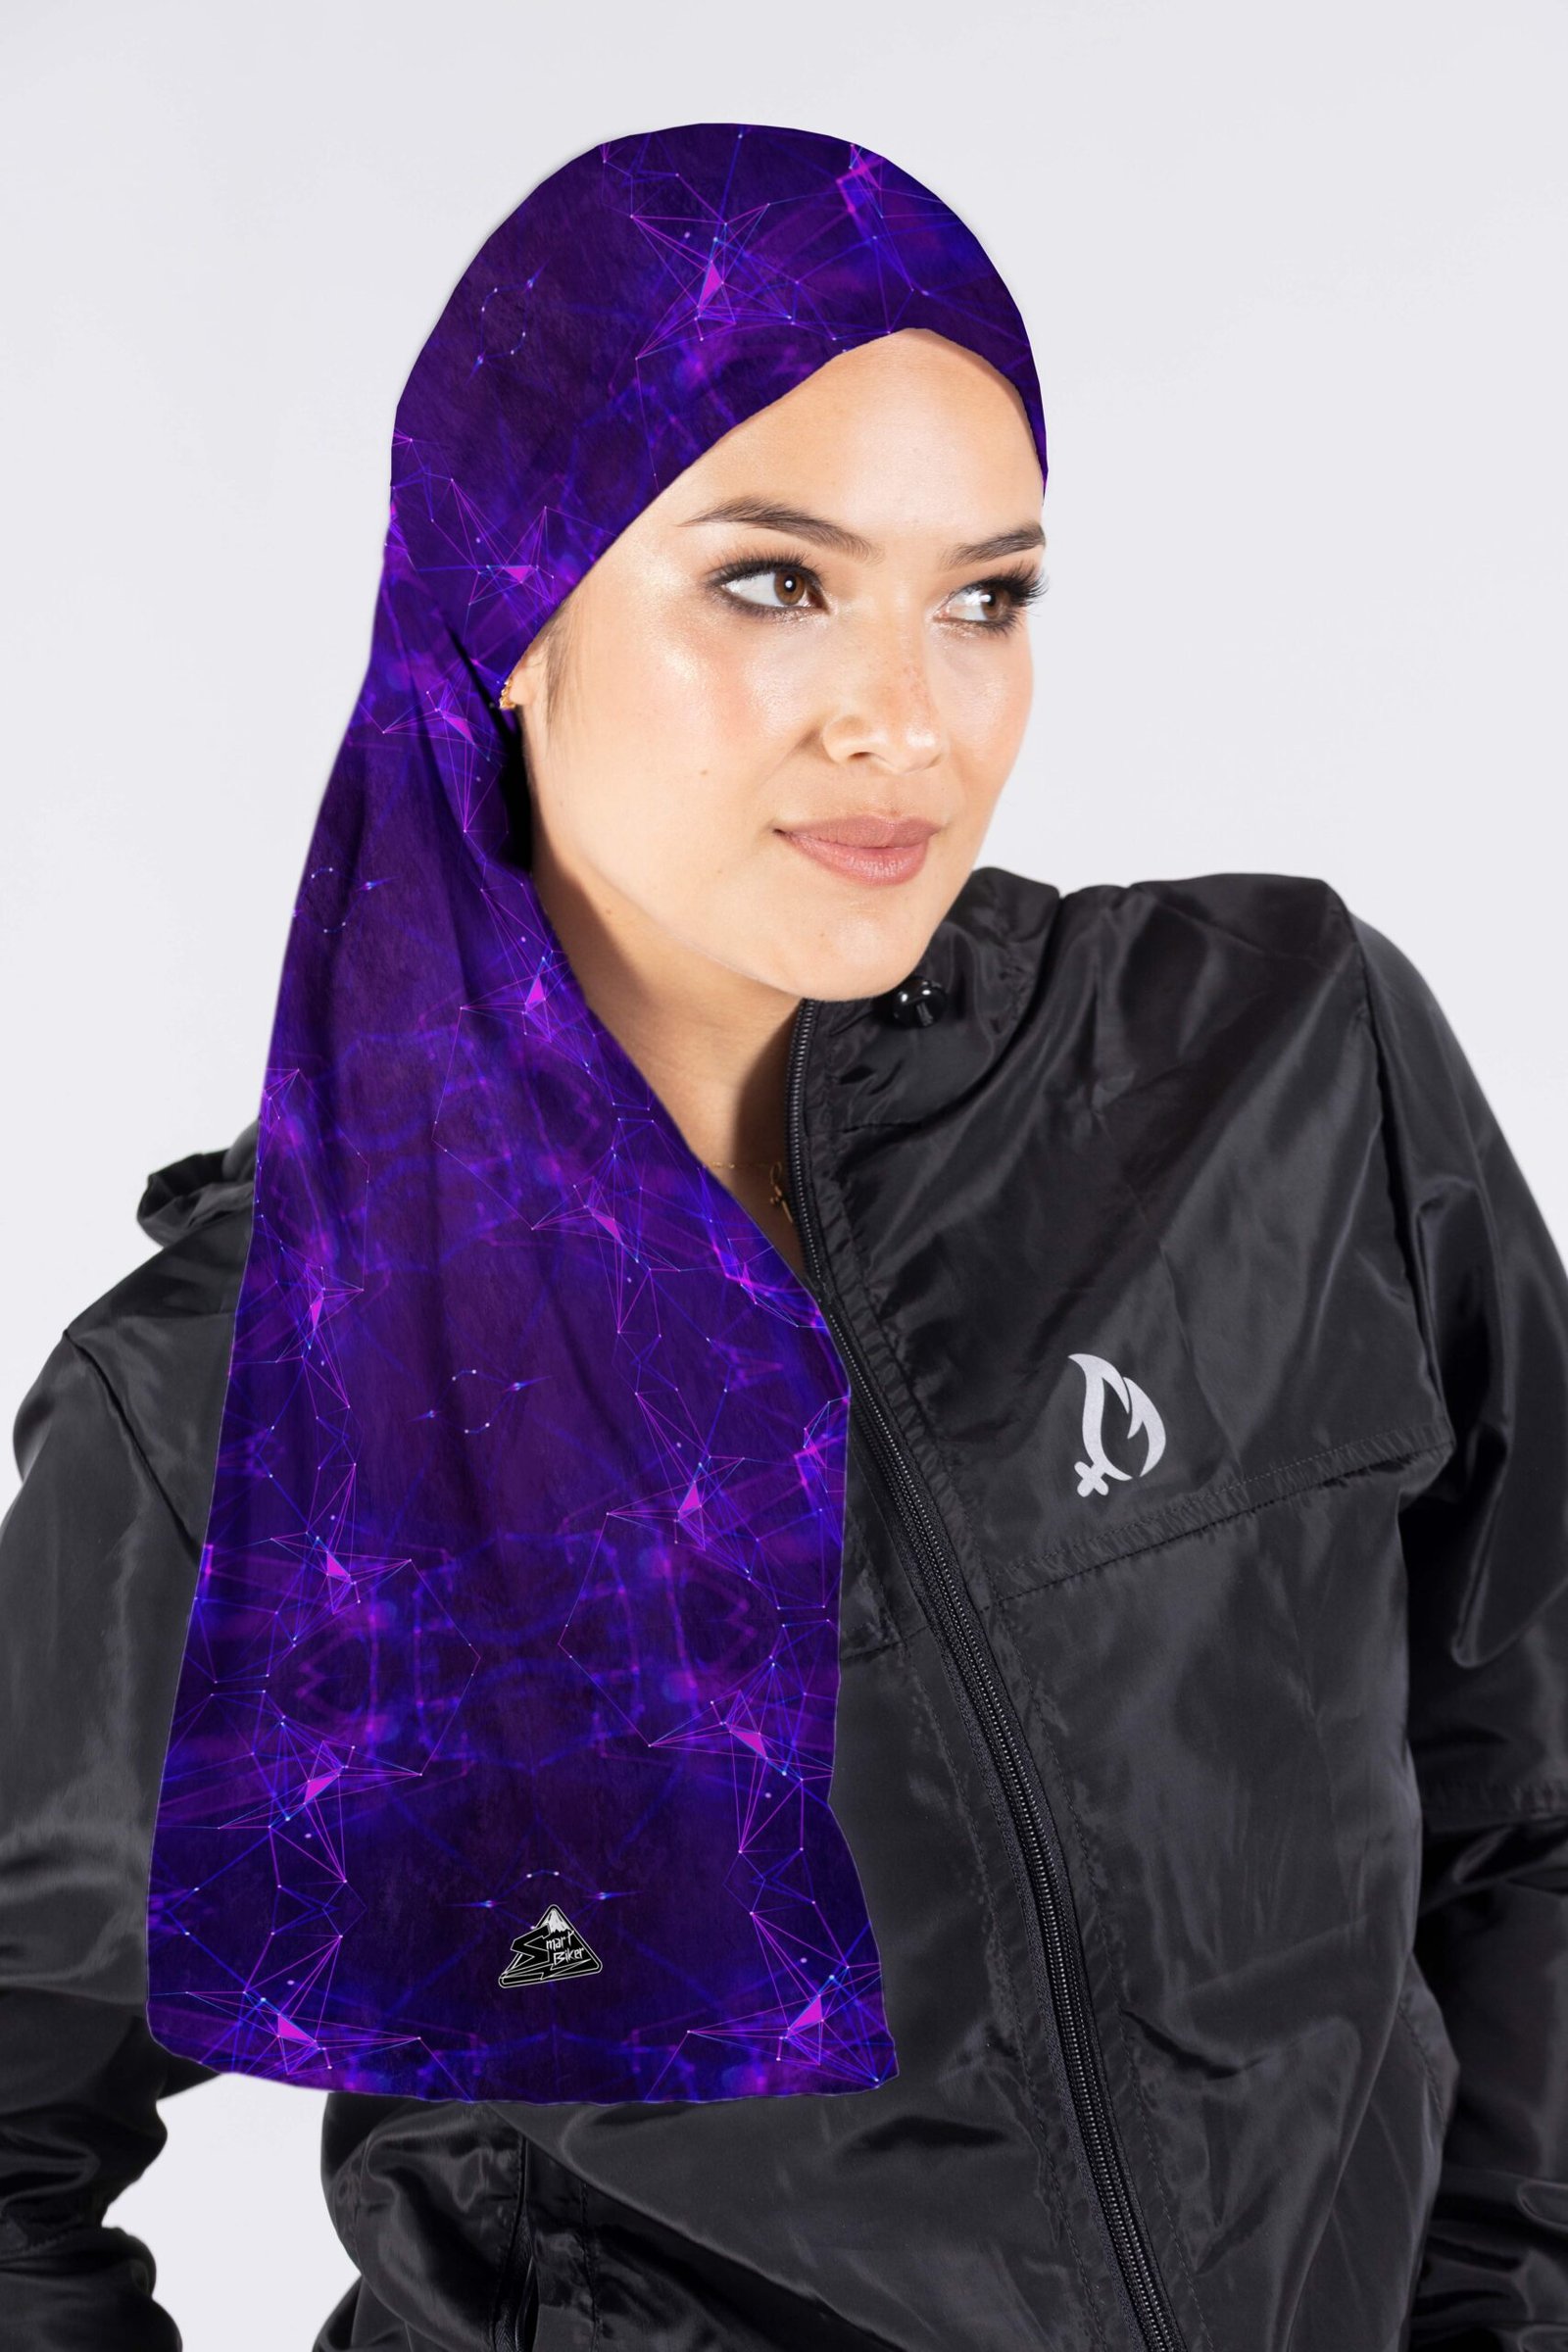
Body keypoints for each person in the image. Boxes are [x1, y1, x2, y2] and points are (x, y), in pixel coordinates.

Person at [2, 118, 1565, 2352]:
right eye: (772, 582)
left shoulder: (1270, 1068)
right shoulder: (263, 1371)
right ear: (506, 609)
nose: (903, 718)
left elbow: (1532, 1799)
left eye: (984, 597)